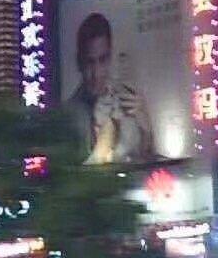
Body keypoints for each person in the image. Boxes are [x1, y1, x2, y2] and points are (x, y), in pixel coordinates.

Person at [65, 12, 154, 164]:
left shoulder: (129, 98)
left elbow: (148, 157)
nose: (97, 73)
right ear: (79, 62)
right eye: (90, 62)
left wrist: (147, 129)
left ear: (110, 56)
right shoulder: (68, 116)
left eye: (103, 60)